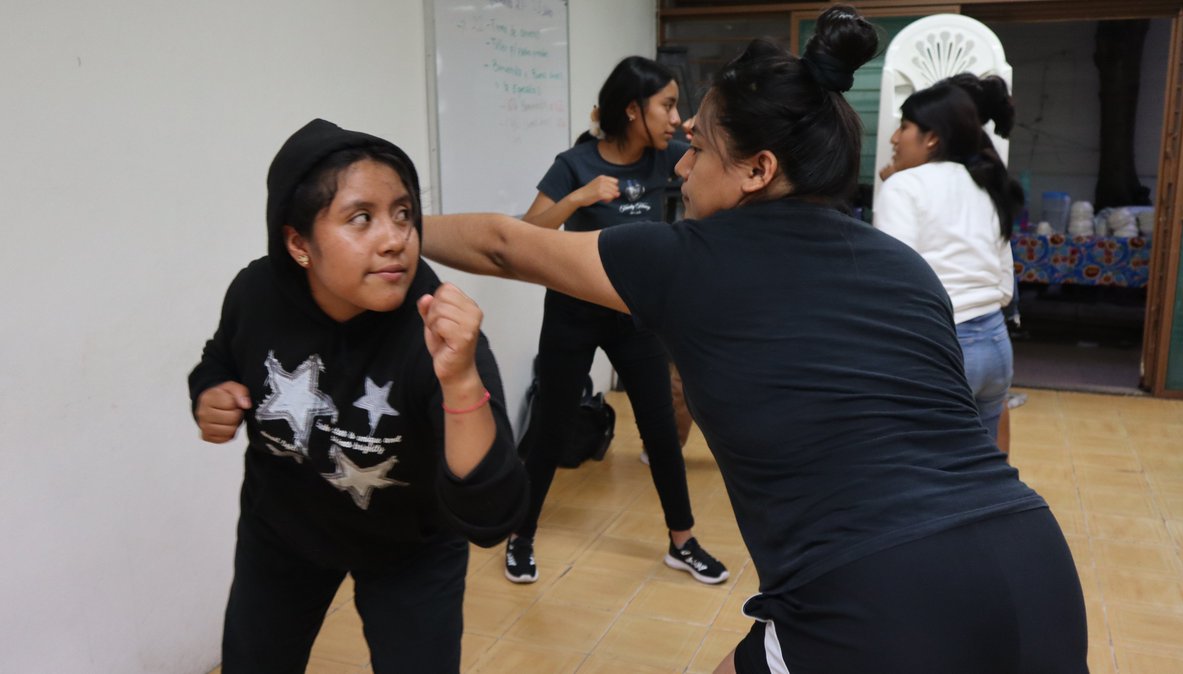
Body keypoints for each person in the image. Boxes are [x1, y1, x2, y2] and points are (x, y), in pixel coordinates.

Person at [421, 5, 1088, 672]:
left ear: (757, 169)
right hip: (1034, 563)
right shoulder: (906, 268)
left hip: (876, 590)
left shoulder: (688, 258)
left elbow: (505, 245)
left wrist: (392, 229)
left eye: (701, 149)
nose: (682, 167)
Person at [188, 119, 528, 673]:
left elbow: (493, 515)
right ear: (298, 243)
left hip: (410, 547)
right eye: (361, 218)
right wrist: (209, 393)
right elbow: (219, 358)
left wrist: (461, 381)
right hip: (283, 531)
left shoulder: (437, 331)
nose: (396, 238)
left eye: (404, 213)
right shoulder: (256, 294)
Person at [504, 55, 727, 586]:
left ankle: (682, 541)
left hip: (634, 314)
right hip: (572, 313)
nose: (675, 118)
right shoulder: (574, 163)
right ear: (632, 110)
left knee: (660, 430)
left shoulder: (666, 157)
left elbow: (715, 166)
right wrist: (579, 197)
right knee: (551, 426)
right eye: (667, 105)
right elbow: (527, 234)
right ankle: (521, 535)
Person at [874, 73, 1022, 447]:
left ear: (932, 138)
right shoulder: (984, 182)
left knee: (927, 465)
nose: (894, 139)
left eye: (904, 127)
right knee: (984, 463)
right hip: (996, 346)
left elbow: (896, 287)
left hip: (944, 346)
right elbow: (1005, 282)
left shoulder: (903, 186)